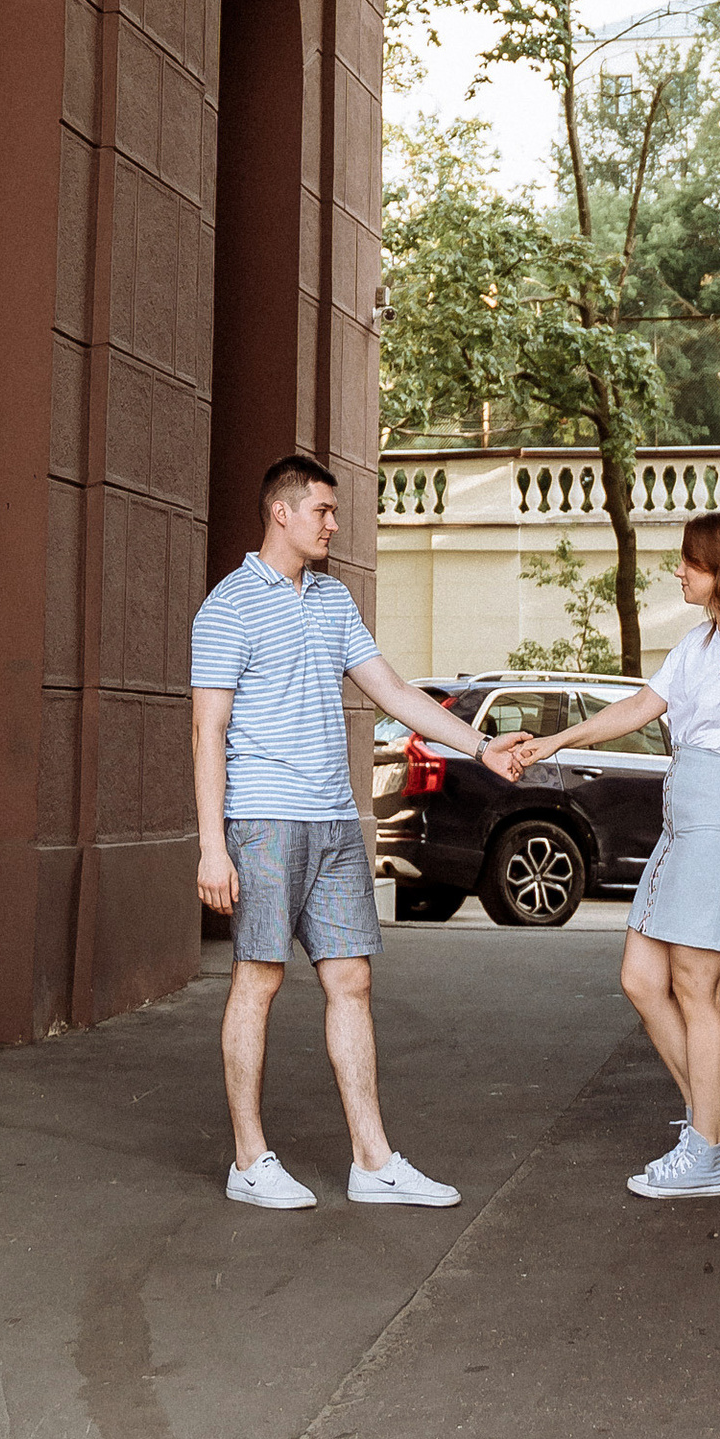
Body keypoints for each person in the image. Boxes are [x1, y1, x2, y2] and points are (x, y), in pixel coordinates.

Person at [190, 450, 527, 1211]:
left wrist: (480, 745)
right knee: (261, 977)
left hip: (336, 820)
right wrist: (213, 844)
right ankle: (250, 1160)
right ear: (282, 512)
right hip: (265, 819)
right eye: (323, 511)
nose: (334, 525)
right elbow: (206, 731)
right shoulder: (228, 606)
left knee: (353, 980)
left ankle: (373, 1161)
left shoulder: (334, 602)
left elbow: (393, 691)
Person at [506, 510, 720, 1200]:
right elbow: (639, 707)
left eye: (690, 563)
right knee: (642, 979)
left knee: (698, 990)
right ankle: (712, 1120)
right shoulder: (698, 646)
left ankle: (702, 1153)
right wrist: (555, 742)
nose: (679, 572)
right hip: (681, 826)